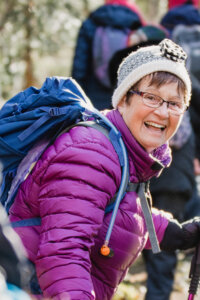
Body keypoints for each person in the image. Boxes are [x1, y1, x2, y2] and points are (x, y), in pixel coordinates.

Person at [8, 38, 200, 300]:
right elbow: (64, 254)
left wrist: (176, 233)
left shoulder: (124, 150)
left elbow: (116, 209)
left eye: (174, 103)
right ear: (123, 99)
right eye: (152, 97)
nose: (163, 113)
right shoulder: (92, 152)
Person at [71, 0, 145, 110]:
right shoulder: (137, 25)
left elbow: (79, 66)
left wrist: (75, 94)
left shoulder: (92, 22)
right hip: (123, 96)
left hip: (92, 95)